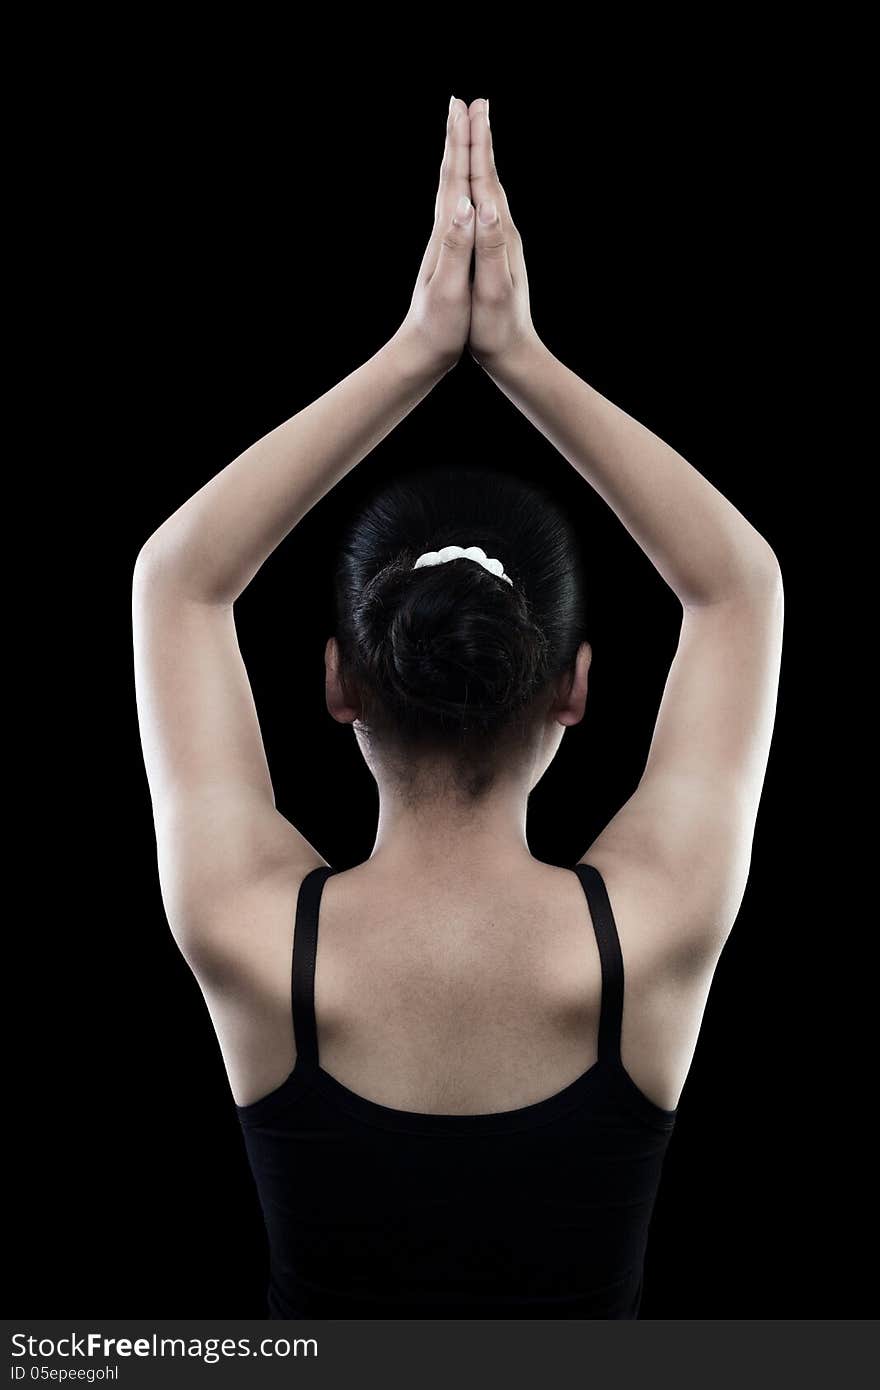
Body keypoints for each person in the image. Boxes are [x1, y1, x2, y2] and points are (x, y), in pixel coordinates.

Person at [132, 95, 783, 1318]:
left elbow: (177, 580)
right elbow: (738, 587)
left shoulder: (251, 933)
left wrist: (418, 350)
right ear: (575, 689)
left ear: (336, 682)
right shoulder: (649, 933)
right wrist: (518, 355)